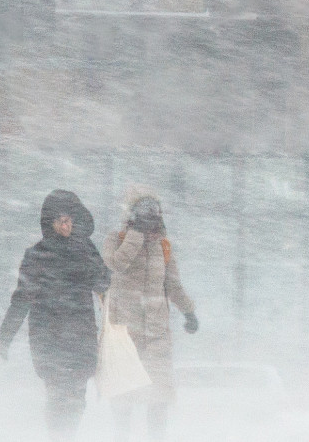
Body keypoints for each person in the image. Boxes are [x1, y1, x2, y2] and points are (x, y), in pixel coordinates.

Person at [0, 189, 111, 441]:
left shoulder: (84, 250)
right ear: (50, 223)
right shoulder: (37, 255)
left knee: (77, 399)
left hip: (80, 336)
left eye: (70, 219)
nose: (66, 224)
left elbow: (103, 283)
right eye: (61, 219)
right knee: (58, 397)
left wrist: (90, 257)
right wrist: (6, 333)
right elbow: (22, 297)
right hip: (49, 337)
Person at [104, 189, 198, 442]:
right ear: (133, 217)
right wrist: (135, 235)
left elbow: (173, 284)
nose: (152, 223)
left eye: (155, 217)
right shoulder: (117, 238)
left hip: (157, 336)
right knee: (124, 399)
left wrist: (189, 310)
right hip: (125, 333)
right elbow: (116, 264)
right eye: (146, 217)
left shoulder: (163, 248)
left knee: (158, 399)